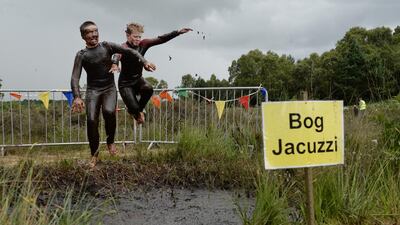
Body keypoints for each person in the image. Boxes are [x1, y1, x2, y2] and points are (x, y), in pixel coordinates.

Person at [71, 21, 156, 167]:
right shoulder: (81, 55)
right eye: (89, 32)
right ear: (83, 36)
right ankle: (94, 155)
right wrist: (77, 96)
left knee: (109, 112)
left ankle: (110, 142)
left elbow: (131, 51)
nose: (93, 34)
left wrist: (144, 61)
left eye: (95, 31)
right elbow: (75, 77)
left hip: (109, 88)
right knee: (92, 120)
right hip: (93, 90)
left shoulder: (107, 46)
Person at [110, 22, 192, 124]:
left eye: (139, 37)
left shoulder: (143, 43)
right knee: (136, 111)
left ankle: (135, 110)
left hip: (138, 80)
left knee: (148, 88)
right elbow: (116, 55)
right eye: (135, 37)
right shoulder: (123, 47)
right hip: (125, 84)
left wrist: (177, 32)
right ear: (128, 35)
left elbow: (160, 39)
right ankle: (134, 109)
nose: (138, 39)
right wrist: (114, 64)